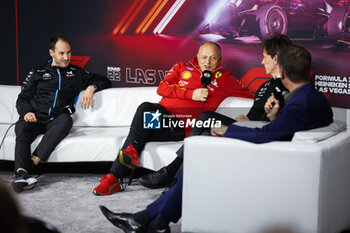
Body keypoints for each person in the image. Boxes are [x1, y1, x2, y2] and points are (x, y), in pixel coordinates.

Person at [99, 44, 333, 232]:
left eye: (213, 58)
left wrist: (228, 130)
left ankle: (147, 214)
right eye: (203, 57)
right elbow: (280, 129)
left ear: (281, 71)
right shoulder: (314, 98)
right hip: (276, 152)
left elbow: (265, 135)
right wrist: (272, 115)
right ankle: (149, 214)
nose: (261, 62)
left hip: (268, 159)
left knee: (198, 160)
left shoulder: (296, 103)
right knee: (148, 112)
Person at [92, 41, 254, 195]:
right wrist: (192, 94)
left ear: (220, 59)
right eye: (204, 57)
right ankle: (115, 177)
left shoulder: (226, 79)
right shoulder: (181, 67)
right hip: (161, 118)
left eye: (213, 57)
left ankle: (115, 176)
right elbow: (162, 88)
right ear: (197, 56)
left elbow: (252, 96)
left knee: (137, 132)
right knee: (144, 112)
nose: (208, 62)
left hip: (179, 128)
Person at [139, 34, 292, 189]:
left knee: (205, 117)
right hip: (247, 124)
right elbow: (257, 109)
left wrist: (252, 122)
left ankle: (170, 173)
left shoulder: (287, 86)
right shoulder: (266, 85)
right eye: (204, 57)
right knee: (206, 132)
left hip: (257, 130)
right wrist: (248, 118)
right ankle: (176, 186)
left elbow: (280, 121)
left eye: (265, 57)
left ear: (275, 58)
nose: (261, 61)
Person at [13, 35, 111, 193]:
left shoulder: (76, 73)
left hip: (57, 120)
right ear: (51, 53)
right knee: (22, 128)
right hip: (36, 118)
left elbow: (105, 80)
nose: (66, 57)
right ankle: (21, 175)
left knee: (66, 120)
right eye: (61, 53)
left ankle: (32, 164)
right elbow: (22, 99)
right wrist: (27, 112)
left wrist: (91, 87)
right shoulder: (38, 72)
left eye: (69, 53)